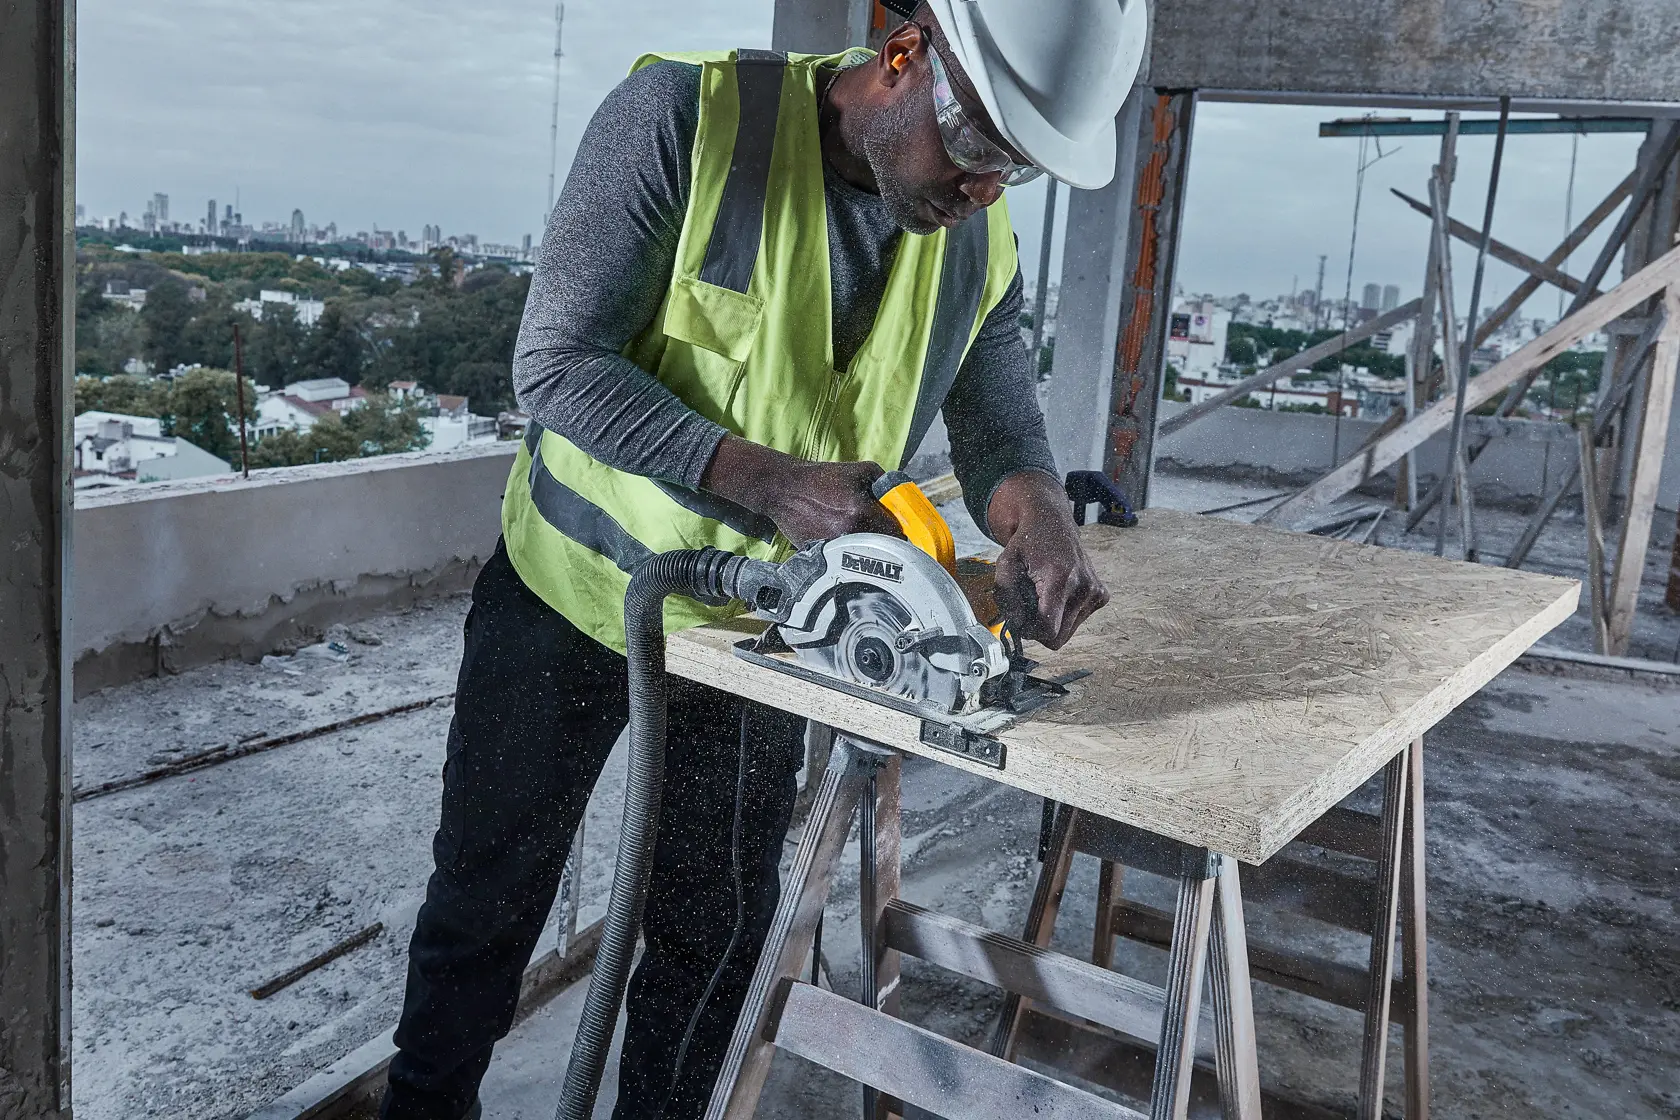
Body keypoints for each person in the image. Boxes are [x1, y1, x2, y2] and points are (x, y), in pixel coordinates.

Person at [381, 2, 1147, 1117]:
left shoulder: (972, 236)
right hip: (569, 599)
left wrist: (1037, 513)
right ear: (903, 53)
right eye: (978, 145)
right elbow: (554, 364)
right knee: (485, 910)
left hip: (757, 643)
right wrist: (769, 481)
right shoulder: (683, 125)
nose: (982, 189)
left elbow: (1001, 435)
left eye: (1014, 170)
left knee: (713, 937)